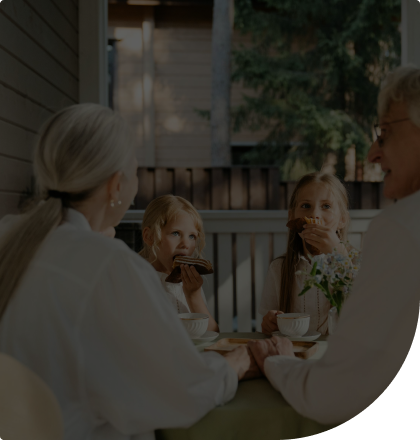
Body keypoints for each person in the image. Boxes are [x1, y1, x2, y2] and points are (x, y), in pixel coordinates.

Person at [0, 104, 261, 440]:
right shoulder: (110, 265)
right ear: (114, 186)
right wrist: (234, 366)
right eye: (135, 172)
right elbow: (178, 392)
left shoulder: (10, 234)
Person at [246, 65, 420, 424]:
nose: (373, 152)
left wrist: (276, 361)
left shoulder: (397, 231)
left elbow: (333, 393)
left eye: (384, 133)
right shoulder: (281, 267)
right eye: (306, 206)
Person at [259, 172, 360, 335]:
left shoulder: (358, 264)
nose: (314, 215)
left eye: (326, 206)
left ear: (342, 219)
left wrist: (339, 254)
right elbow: (266, 323)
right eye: (306, 206)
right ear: (292, 217)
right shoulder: (279, 268)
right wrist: (268, 323)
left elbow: (367, 315)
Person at [140, 195, 219, 332]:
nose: (186, 244)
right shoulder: (137, 278)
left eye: (192, 236)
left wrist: (193, 296)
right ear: (149, 236)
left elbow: (212, 334)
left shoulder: (190, 283)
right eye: (176, 233)